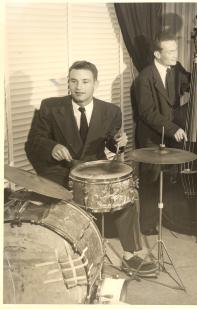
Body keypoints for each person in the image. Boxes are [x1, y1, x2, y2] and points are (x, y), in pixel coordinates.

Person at [25, 60, 157, 277]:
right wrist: (52, 146)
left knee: (127, 194)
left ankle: (130, 254)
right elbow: (34, 141)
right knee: (47, 202)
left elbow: (111, 144)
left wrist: (119, 141)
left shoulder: (111, 111)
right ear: (68, 82)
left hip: (94, 169)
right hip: (60, 169)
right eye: (74, 81)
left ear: (96, 83)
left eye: (85, 81)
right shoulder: (50, 106)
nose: (79, 87)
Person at [134, 31, 197, 235]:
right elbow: (146, 112)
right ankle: (147, 224)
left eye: (176, 49)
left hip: (172, 132)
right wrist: (173, 128)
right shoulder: (144, 77)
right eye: (170, 51)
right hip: (151, 135)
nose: (176, 54)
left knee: (169, 176)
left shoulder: (176, 69)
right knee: (151, 178)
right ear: (157, 54)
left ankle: (168, 215)